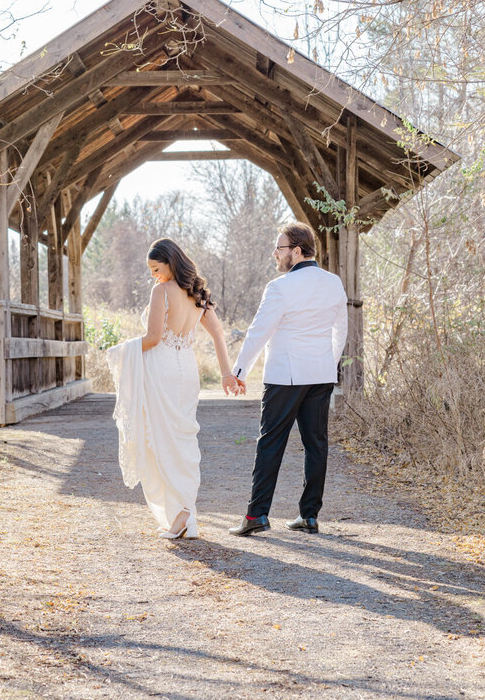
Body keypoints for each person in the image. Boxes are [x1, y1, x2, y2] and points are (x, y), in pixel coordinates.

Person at [107, 238, 239, 539]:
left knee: (160, 438)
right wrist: (226, 374)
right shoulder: (197, 294)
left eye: (156, 269)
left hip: (161, 369)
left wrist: (119, 351)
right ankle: (185, 515)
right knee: (183, 438)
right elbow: (218, 334)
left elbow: (153, 338)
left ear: (170, 262)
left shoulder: (161, 291)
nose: (154, 276)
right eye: (152, 271)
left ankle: (180, 512)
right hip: (187, 371)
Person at [227, 221, 348, 537]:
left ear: (296, 251)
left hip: (285, 375)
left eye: (279, 248)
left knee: (270, 443)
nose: (275, 254)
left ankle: (256, 516)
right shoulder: (333, 283)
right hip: (320, 374)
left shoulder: (279, 287)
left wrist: (238, 372)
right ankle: (309, 516)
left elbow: (258, 333)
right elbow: (341, 329)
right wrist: (327, 362)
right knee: (316, 444)